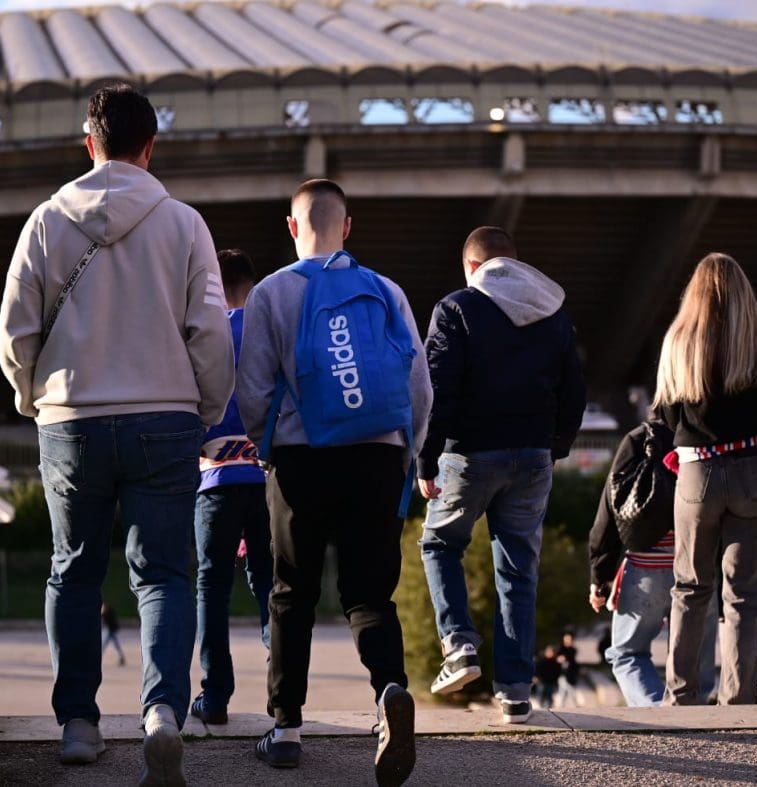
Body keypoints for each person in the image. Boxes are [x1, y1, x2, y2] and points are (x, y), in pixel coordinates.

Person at [0, 83, 233, 786]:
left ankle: (77, 724)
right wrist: (208, 410)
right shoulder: (185, 224)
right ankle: (161, 712)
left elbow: (16, 331)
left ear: (87, 142)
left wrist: (31, 397)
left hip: (71, 418)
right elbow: (211, 332)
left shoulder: (46, 220)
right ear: (151, 146)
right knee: (163, 573)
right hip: (165, 416)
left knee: (73, 567)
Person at [238, 179, 430, 786]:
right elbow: (418, 386)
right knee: (370, 595)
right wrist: (407, 453)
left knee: (291, 592)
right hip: (377, 456)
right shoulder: (386, 290)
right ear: (347, 227)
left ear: (292, 227)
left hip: (301, 459)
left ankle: (287, 728)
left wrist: (267, 448)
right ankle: (389, 693)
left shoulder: (271, 292)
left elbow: (253, 387)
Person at [416, 226, 586, 724]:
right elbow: (574, 389)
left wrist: (426, 461)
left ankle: (459, 647)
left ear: (472, 267)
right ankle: (514, 693)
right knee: (519, 571)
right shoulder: (552, 312)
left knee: (440, 544)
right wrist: (554, 447)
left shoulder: (457, 308)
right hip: (533, 455)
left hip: (469, 455)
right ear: (514, 263)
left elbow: (437, 389)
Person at [654, 253, 757, 706]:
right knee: (745, 596)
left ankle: (681, 696)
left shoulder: (678, 343)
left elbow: (665, 418)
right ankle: (738, 700)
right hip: (755, 469)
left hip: (698, 472)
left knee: (690, 589)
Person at [192, 248, 273, 726]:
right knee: (270, 584)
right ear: (252, 284)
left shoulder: (208, 335)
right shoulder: (269, 333)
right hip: (267, 478)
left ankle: (215, 695)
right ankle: (282, 691)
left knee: (211, 588)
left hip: (216, 478)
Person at [587, 422, 719, 706]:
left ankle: (656, 711)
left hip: (647, 566)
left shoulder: (639, 438)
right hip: (700, 565)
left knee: (626, 654)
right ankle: (694, 716)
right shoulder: (710, 429)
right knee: (696, 658)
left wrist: (600, 576)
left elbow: (610, 509)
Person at [100, 602, 125, 667]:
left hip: (108, 631)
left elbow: (104, 621)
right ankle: (121, 658)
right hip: (110, 630)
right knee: (116, 645)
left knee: (103, 645)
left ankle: (97, 658)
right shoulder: (109, 612)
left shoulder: (106, 613)